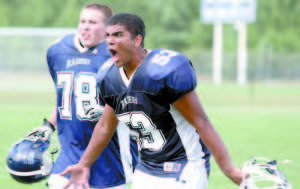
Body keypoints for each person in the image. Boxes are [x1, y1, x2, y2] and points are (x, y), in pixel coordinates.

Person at [60, 13, 243, 189]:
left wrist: (230, 170)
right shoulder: (109, 77)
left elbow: (202, 122)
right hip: (146, 168)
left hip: (184, 165)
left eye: (118, 35)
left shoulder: (164, 72)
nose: (110, 40)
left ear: (137, 40)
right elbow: (105, 126)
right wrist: (84, 164)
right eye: (108, 35)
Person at [36, 4, 138, 189]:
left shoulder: (121, 56)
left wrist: (111, 111)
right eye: (82, 21)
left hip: (108, 160)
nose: (85, 26)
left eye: (92, 22)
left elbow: (140, 105)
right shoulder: (58, 51)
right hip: (68, 155)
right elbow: (65, 98)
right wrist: (48, 126)